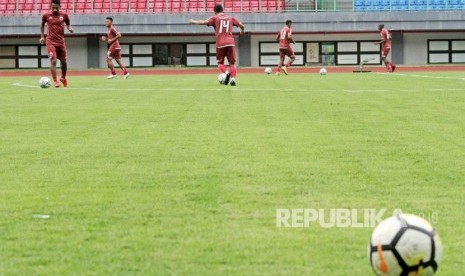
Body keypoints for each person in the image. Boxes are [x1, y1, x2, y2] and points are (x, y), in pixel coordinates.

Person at [189, 4, 245, 86]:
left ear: (214, 11)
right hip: (230, 43)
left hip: (220, 43)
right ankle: (233, 79)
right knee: (232, 63)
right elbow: (242, 25)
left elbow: (204, 22)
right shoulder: (230, 18)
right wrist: (242, 31)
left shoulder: (215, 18)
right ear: (223, 10)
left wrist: (193, 21)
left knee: (220, 63)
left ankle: (226, 73)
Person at [40, 0, 73, 88]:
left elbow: (68, 24)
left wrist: (69, 28)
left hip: (61, 42)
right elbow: (42, 24)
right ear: (51, 6)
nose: (54, 9)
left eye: (56, 7)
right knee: (53, 61)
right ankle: (55, 81)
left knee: (64, 62)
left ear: (60, 7)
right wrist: (42, 36)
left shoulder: (64, 15)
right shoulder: (46, 15)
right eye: (53, 7)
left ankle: (63, 77)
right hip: (50, 41)